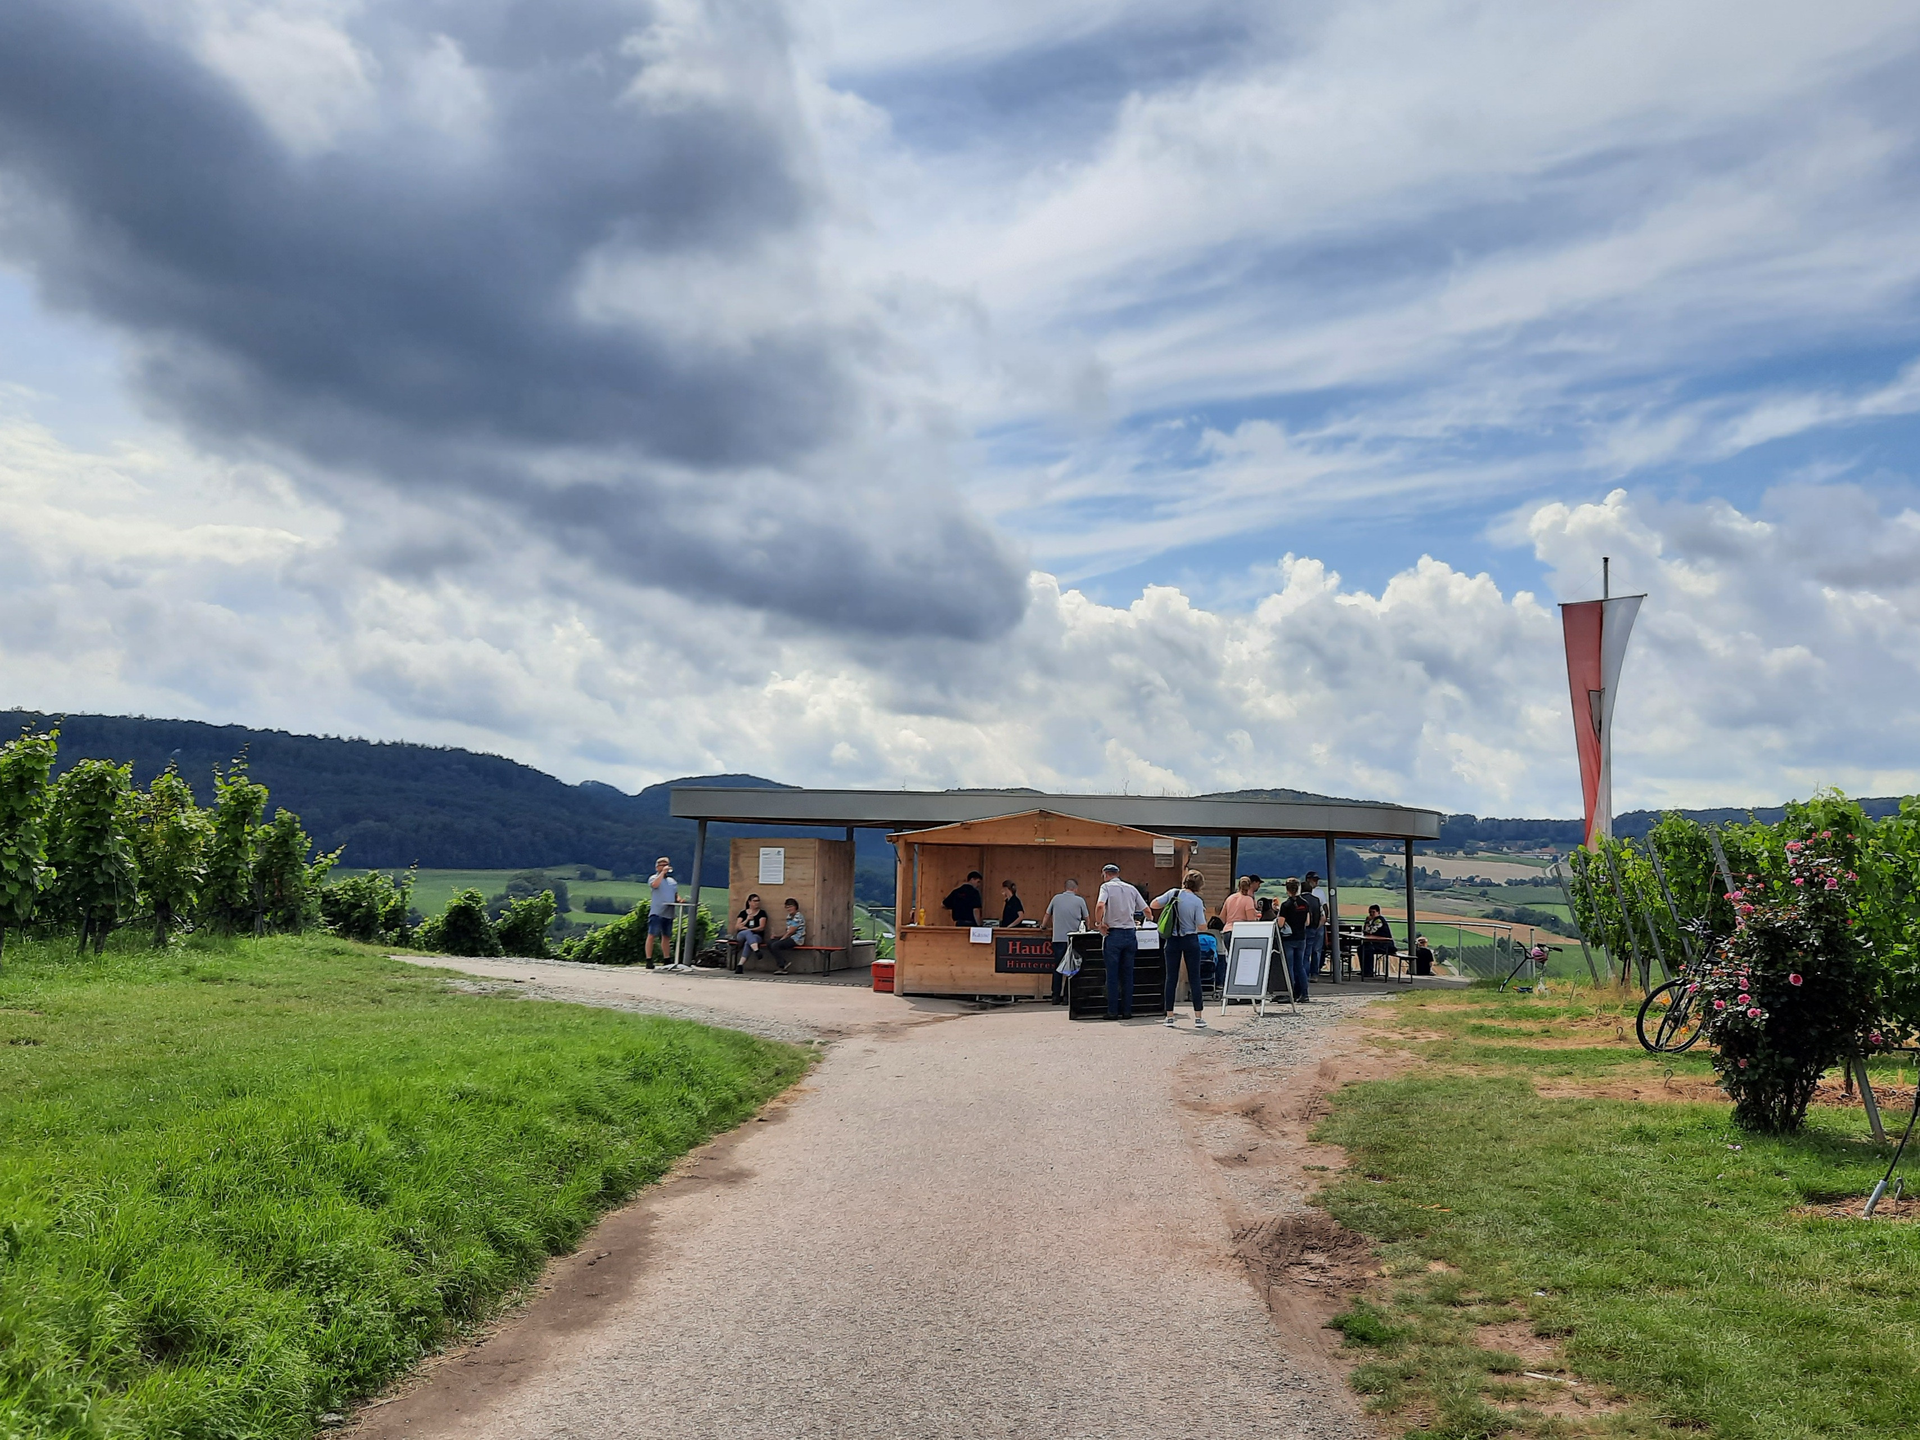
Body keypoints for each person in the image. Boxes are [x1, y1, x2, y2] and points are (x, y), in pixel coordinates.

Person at [1151, 870, 1210, 1028]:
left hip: (1172, 939)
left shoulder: (1173, 893)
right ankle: (1198, 1017)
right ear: (1199, 885)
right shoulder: (1197, 901)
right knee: (1195, 977)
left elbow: (1154, 904)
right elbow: (1202, 926)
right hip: (1190, 939)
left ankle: (1169, 1016)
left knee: (1171, 977)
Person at [1094, 863, 1147, 1020]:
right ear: (1118, 873)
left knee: (1112, 975)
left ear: (1105, 874)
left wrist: (1099, 924)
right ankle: (1127, 1011)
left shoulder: (1106, 887)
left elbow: (1100, 905)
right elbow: (1146, 910)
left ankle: (1112, 1011)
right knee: (1128, 975)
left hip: (1114, 934)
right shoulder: (1131, 888)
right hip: (1130, 934)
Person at [1043, 878, 1089, 1005]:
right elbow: (1087, 918)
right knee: (1071, 968)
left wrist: (1043, 926)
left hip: (1058, 938)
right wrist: (1087, 928)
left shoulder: (1056, 898)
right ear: (1076, 889)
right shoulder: (1080, 900)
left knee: (1058, 968)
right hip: (1074, 939)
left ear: (1065, 888)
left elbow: (1047, 914)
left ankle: (1055, 996)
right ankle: (1067, 997)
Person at [1279, 878, 1313, 1000]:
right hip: (1301, 937)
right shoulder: (1305, 903)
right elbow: (1307, 922)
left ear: (1287, 889)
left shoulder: (1285, 905)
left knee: (1289, 967)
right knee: (1300, 966)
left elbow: (1281, 924)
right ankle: (1304, 993)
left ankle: (1291, 993)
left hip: (1289, 939)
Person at [646, 856, 677, 969]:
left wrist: (679, 899)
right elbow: (655, 885)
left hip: (668, 912)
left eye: (666, 865)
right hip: (657, 911)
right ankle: (649, 959)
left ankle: (667, 959)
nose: (665, 867)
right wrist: (662, 873)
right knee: (652, 935)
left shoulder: (672, 882)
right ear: (657, 867)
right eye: (662, 865)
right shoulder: (653, 878)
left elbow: (675, 894)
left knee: (666, 936)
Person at [766, 898, 806, 973]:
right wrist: (777, 936)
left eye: (790, 907)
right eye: (787, 907)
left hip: (796, 939)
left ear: (795, 907)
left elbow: (791, 931)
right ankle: (783, 962)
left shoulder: (798, 917)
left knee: (775, 945)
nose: (789, 909)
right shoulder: (789, 917)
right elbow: (787, 931)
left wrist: (782, 939)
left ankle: (782, 966)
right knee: (770, 942)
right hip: (789, 938)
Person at [732, 893, 769, 973]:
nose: (757, 903)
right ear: (749, 902)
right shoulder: (743, 913)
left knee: (748, 942)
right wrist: (747, 920)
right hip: (742, 935)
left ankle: (740, 965)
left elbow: (761, 927)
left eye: (758, 901)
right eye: (755, 901)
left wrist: (750, 929)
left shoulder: (762, 913)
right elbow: (737, 927)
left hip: (756, 935)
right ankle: (756, 950)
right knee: (747, 933)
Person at [1301, 871, 1327, 979]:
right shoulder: (1315, 898)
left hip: (1314, 925)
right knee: (1308, 951)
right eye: (1314, 880)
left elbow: (1325, 907)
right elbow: (1323, 909)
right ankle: (1308, 973)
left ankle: (1313, 972)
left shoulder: (1320, 892)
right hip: (1314, 925)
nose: (1316, 882)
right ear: (1308, 880)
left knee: (1314, 950)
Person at [1360, 905, 1395, 980]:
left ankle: (1369, 971)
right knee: (1361, 948)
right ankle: (1364, 970)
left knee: (1368, 949)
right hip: (1377, 943)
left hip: (1385, 945)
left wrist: (1367, 923)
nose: (1371, 914)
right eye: (1370, 912)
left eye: (1373, 912)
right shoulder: (1373, 921)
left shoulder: (1379, 920)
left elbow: (1371, 931)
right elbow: (1366, 931)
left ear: (1378, 912)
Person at [1198, 915, 1224, 989]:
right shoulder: (1219, 934)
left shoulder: (1204, 934)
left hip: (1201, 956)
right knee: (1221, 964)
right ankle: (1220, 983)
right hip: (1216, 954)